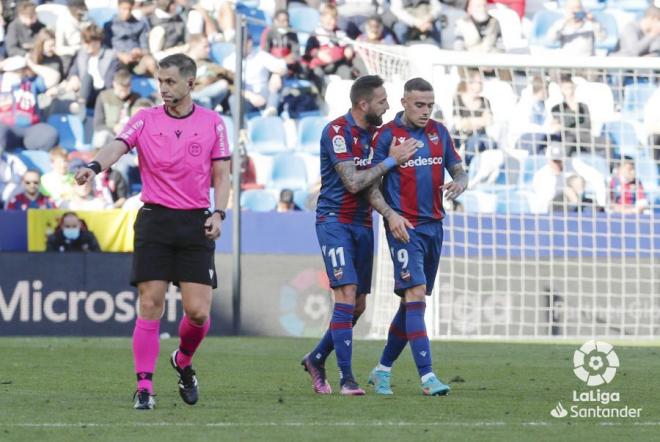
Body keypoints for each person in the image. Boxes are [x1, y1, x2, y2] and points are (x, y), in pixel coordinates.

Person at [74, 53, 231, 410]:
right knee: (150, 303)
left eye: (170, 81)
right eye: (160, 81)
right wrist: (94, 166)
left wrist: (220, 213)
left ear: (190, 83)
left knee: (198, 313)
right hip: (155, 220)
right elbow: (118, 145)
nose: (163, 87)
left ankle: (184, 361)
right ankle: (144, 387)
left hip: (196, 223)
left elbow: (222, 176)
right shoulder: (145, 118)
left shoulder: (213, 123)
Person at [301, 75, 417, 395]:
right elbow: (353, 182)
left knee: (359, 306)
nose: (387, 106)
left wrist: (389, 213)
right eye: (382, 101)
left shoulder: (376, 136)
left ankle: (316, 357)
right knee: (347, 292)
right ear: (363, 104)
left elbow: (371, 187)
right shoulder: (337, 132)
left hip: (363, 224)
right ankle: (346, 378)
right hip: (333, 221)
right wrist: (393, 160)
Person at [367, 77, 467, 396]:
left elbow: (459, 169)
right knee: (416, 296)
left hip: (435, 226)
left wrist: (460, 183)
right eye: (419, 105)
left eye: (430, 105)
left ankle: (381, 370)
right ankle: (427, 378)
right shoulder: (386, 136)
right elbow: (369, 185)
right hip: (404, 228)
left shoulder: (439, 132)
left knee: (411, 304)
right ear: (404, 103)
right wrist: (390, 216)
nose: (425, 111)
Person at [104, 0, 157, 77]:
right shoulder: (109, 26)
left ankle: (161, 85)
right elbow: (105, 48)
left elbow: (145, 47)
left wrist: (140, 52)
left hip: (136, 60)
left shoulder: (140, 25)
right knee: (117, 66)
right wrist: (119, 55)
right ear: (118, 8)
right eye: (124, 9)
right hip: (118, 59)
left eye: (129, 9)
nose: (127, 12)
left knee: (150, 62)